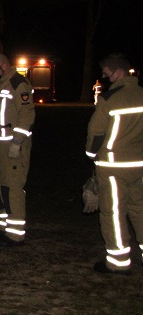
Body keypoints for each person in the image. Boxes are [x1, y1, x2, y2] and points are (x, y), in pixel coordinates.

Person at [85, 53, 143, 275]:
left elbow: (96, 132)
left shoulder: (109, 99)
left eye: (107, 73)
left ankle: (118, 261)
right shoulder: (141, 94)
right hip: (139, 165)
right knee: (140, 209)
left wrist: (90, 154)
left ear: (118, 72)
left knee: (113, 213)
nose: (105, 77)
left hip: (113, 166)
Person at [0, 53, 35, 246]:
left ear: (4, 66)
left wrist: (17, 141)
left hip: (13, 149)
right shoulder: (0, 86)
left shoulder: (18, 84)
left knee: (12, 189)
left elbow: (27, 114)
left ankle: (15, 234)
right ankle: (3, 227)